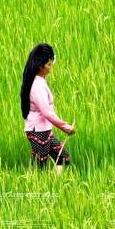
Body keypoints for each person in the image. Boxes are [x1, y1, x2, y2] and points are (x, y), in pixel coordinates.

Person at [20, 43, 75, 173]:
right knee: (40, 166)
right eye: (49, 65)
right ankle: (37, 184)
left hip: (45, 131)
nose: (51, 68)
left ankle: (56, 182)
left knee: (63, 157)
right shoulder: (38, 86)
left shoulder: (38, 80)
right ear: (40, 66)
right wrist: (65, 127)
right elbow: (47, 112)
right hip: (38, 132)